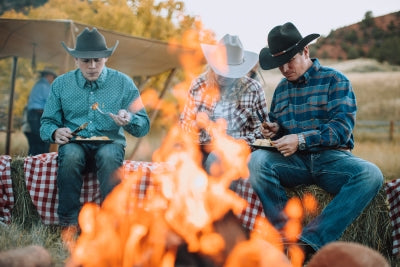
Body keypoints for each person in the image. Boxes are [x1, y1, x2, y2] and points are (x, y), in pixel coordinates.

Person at [248, 22, 383, 260]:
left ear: (306, 51)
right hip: (294, 163)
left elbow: (341, 129)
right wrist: (274, 130)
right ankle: (284, 237)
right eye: (280, 64)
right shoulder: (280, 90)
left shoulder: (335, 81)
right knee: (257, 161)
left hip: (332, 160)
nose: (285, 68)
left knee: (371, 175)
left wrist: (300, 140)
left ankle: (309, 242)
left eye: (290, 60)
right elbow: (281, 132)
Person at [40, 27, 150, 227]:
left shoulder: (124, 83)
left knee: (108, 156)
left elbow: (143, 125)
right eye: (85, 61)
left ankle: (112, 223)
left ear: (105, 58)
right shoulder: (61, 85)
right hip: (75, 144)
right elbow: (46, 123)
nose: (92, 66)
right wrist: (55, 132)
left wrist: (129, 119)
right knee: (71, 155)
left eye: (97, 60)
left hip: (110, 144)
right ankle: (68, 224)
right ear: (76, 60)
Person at [179, 34, 268, 174]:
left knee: (215, 159)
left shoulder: (253, 89)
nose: (225, 76)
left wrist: (236, 143)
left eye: (230, 72)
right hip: (200, 147)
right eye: (221, 70)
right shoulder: (198, 85)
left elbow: (263, 131)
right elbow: (184, 123)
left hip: (237, 153)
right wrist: (199, 126)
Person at [24, 68, 57, 155]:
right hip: (37, 114)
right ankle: (41, 164)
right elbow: (51, 101)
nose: (53, 79)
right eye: (53, 77)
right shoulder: (45, 86)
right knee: (42, 141)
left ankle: (32, 164)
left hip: (33, 114)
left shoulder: (38, 84)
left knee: (35, 142)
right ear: (48, 76)